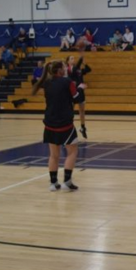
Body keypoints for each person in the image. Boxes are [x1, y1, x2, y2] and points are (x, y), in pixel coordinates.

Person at [32, 61, 86, 191]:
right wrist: (80, 88)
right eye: (64, 67)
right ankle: (67, 181)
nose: (66, 69)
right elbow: (77, 98)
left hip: (50, 123)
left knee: (53, 155)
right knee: (72, 151)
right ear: (60, 70)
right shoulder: (67, 82)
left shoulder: (46, 83)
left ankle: (53, 183)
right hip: (64, 124)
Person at [66, 55, 91, 139]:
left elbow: (89, 70)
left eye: (74, 58)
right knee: (70, 111)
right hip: (72, 92)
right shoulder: (67, 70)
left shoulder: (78, 69)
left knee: (82, 111)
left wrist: (85, 63)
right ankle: (68, 128)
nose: (73, 59)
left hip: (80, 92)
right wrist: (81, 58)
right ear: (68, 61)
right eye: (71, 58)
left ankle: (83, 127)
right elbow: (72, 72)